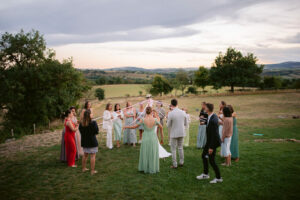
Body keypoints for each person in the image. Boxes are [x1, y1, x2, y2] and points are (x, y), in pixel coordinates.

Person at [123, 107, 161, 174]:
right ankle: (152, 167)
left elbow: (134, 127)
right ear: (151, 112)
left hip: (146, 136)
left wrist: (126, 126)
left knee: (145, 152)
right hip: (153, 137)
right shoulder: (155, 119)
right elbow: (161, 127)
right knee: (152, 152)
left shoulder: (143, 119)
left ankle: (145, 167)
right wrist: (157, 118)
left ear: (146, 112)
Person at [196, 103, 222, 184]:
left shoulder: (214, 119)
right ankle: (205, 174)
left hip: (213, 142)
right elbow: (204, 123)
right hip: (209, 141)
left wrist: (211, 147)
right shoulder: (211, 116)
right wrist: (201, 120)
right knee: (204, 156)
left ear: (208, 109)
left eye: (205, 107)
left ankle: (218, 178)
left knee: (211, 160)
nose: (204, 108)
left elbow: (215, 135)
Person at [167, 99, 187, 169]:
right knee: (180, 148)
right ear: (177, 104)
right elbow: (186, 123)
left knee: (173, 149)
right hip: (181, 132)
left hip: (174, 133)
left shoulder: (171, 113)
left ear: (171, 104)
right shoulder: (183, 112)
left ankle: (175, 164)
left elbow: (168, 125)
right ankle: (181, 162)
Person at [79, 109, 99, 175]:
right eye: (91, 113)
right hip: (92, 141)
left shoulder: (81, 123)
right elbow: (96, 131)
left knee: (85, 155)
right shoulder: (93, 122)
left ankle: (83, 168)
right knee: (93, 156)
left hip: (85, 141)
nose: (92, 114)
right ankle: (92, 171)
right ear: (89, 115)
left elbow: (81, 132)